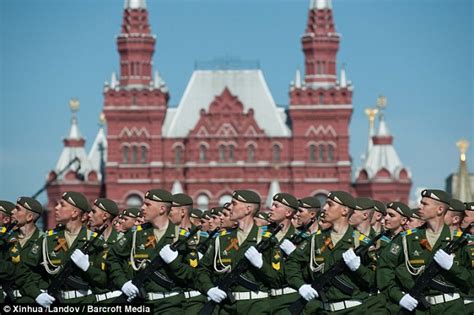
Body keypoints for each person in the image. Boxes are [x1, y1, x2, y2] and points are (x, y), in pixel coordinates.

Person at [377, 189, 470, 314]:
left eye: (425, 204)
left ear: (440, 210)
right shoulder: (406, 239)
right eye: (421, 203)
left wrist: (452, 267)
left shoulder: (460, 241)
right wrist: (399, 296)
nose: (419, 206)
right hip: (418, 308)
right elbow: (385, 268)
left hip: (451, 308)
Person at [286, 191, 377, 314]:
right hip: (322, 310)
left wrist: (358, 268)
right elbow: (292, 263)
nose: (324, 208)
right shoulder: (315, 239)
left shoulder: (362, 243)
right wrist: (301, 285)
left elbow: (376, 281)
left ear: (344, 211)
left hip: (352, 310)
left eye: (330, 204)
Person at [107, 189, 184, 314]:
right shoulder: (136, 233)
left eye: (148, 204)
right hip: (141, 303)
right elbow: (113, 257)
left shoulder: (180, 237)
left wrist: (175, 262)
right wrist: (123, 283)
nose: (142, 208)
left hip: (170, 305)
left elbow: (193, 274)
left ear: (162, 209)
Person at [195, 190, 271, 314]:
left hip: (256, 307)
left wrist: (262, 265)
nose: (230, 207)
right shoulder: (221, 240)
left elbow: (279, 278)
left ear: (248, 209)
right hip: (226, 307)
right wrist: (209, 289)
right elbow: (201, 270)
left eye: (234, 204)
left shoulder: (265, 240)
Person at [21, 191, 99, 307]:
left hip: (86, 303)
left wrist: (88, 268)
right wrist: (37, 293)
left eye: (62, 205)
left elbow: (104, 279)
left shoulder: (95, 241)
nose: (56, 208)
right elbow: (26, 270)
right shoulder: (47, 239)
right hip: (56, 302)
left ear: (74, 213)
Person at [70, 198, 122, 303]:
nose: (89, 215)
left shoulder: (121, 242)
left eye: (94, 212)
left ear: (105, 216)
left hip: (114, 301)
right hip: (92, 301)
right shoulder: (90, 241)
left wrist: (87, 268)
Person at [3, 197, 44, 303]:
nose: (12, 211)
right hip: (7, 299)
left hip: (32, 300)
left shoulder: (44, 240)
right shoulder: (5, 240)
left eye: (18, 209)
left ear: (29, 217)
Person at [375, 201, 412, 314]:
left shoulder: (410, 240)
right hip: (382, 298)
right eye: (386, 214)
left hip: (402, 296)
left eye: (391, 215)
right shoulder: (380, 238)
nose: (385, 218)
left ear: (404, 220)